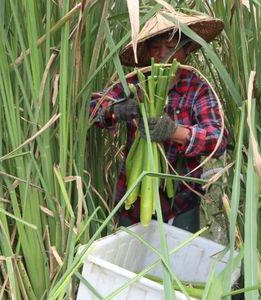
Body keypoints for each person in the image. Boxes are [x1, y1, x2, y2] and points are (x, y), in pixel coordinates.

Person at [89, 10, 227, 233]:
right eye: (156, 48)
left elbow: (217, 140)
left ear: (185, 49)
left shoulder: (198, 90)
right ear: (148, 53)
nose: (163, 54)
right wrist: (115, 111)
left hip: (182, 199)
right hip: (133, 195)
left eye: (171, 46)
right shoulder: (136, 82)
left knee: (178, 262)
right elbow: (94, 107)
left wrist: (174, 131)